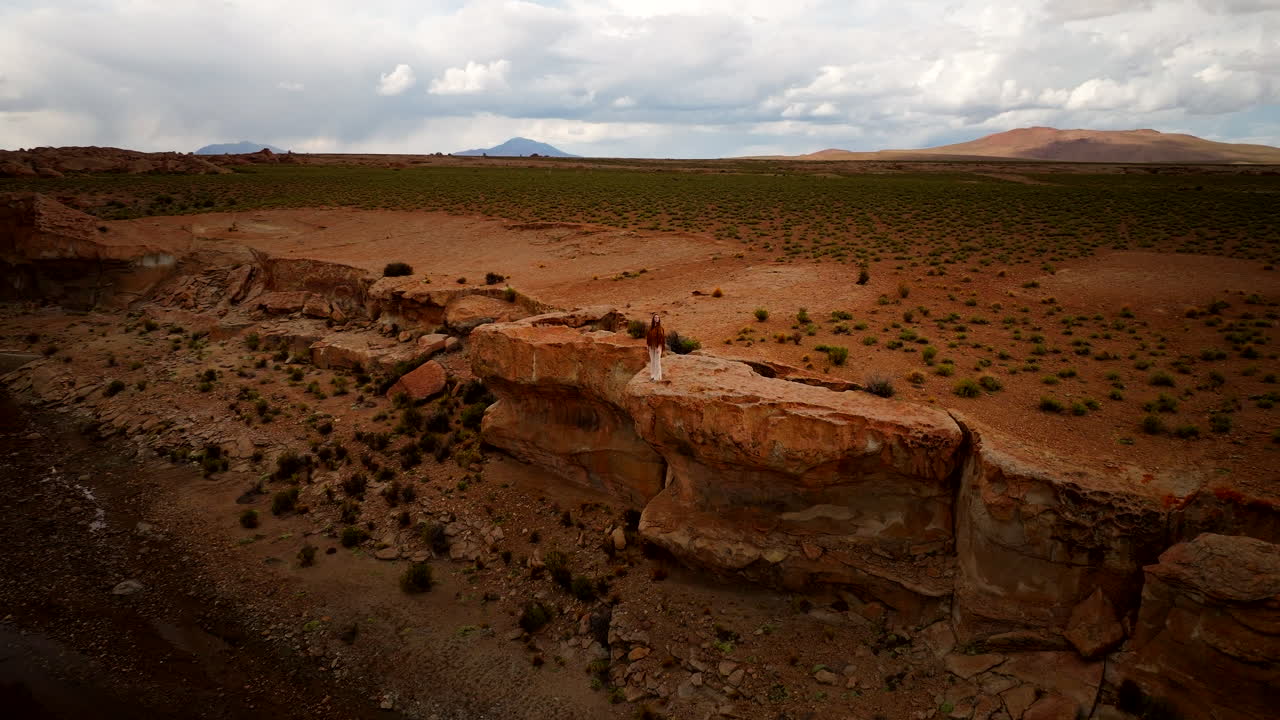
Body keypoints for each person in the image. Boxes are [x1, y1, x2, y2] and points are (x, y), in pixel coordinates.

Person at [645, 313, 664, 382]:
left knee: (657, 361)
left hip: (657, 347)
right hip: (651, 346)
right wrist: (647, 345)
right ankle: (652, 376)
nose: (656, 319)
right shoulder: (651, 328)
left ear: (659, 319)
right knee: (652, 361)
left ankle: (657, 377)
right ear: (653, 319)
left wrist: (659, 347)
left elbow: (661, 339)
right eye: (655, 317)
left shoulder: (660, 328)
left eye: (657, 318)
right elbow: (648, 337)